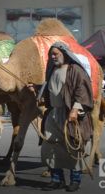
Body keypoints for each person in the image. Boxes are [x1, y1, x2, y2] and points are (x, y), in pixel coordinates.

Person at [28, 42, 93, 192]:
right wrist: (36, 88)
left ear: (65, 53)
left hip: (70, 115)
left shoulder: (75, 70)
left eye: (55, 54)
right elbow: (49, 88)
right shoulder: (52, 71)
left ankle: (75, 180)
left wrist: (75, 110)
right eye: (51, 54)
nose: (53, 56)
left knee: (73, 147)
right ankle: (57, 179)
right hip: (53, 114)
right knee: (50, 146)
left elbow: (82, 92)